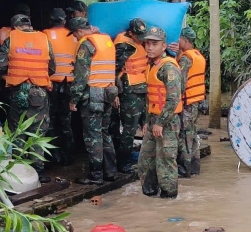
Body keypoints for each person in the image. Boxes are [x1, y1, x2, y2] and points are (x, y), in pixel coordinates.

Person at [0, 13, 54, 175]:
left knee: (17, 129)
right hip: (39, 91)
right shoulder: (44, 39)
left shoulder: (11, 39)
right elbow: (52, 67)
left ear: (15, 27)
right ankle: (38, 171)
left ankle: (20, 170)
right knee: (38, 130)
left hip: (18, 91)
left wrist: (14, 72)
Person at [68, 17, 118, 185]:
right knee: (105, 133)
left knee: (93, 135)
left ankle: (96, 175)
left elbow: (81, 76)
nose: (75, 37)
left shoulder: (87, 44)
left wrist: (74, 99)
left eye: (75, 34)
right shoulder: (107, 41)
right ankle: (110, 172)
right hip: (108, 93)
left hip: (93, 95)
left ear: (80, 31)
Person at [139, 26, 184, 199]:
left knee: (166, 160)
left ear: (164, 46)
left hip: (167, 121)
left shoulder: (169, 68)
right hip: (153, 120)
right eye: (147, 43)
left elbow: (173, 99)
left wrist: (160, 123)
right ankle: (150, 194)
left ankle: (169, 198)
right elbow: (150, 98)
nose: (150, 47)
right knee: (146, 159)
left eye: (154, 44)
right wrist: (147, 121)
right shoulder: (151, 65)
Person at [113, 18, 149, 173]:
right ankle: (123, 162)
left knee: (145, 125)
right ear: (130, 33)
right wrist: (115, 92)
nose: (141, 39)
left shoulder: (140, 43)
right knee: (130, 129)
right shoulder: (123, 45)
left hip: (141, 89)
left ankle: (140, 157)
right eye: (138, 36)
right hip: (130, 91)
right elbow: (113, 69)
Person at [44, 7, 77, 166]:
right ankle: (68, 156)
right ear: (64, 21)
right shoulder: (75, 36)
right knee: (66, 121)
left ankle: (53, 156)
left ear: (50, 20)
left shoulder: (44, 35)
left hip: (50, 84)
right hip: (69, 83)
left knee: (49, 120)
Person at [177, 26, 206, 177]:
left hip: (187, 102)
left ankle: (185, 169)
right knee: (192, 135)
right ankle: (194, 167)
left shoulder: (186, 58)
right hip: (196, 101)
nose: (177, 41)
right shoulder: (198, 55)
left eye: (179, 39)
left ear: (185, 40)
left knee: (184, 135)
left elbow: (181, 82)